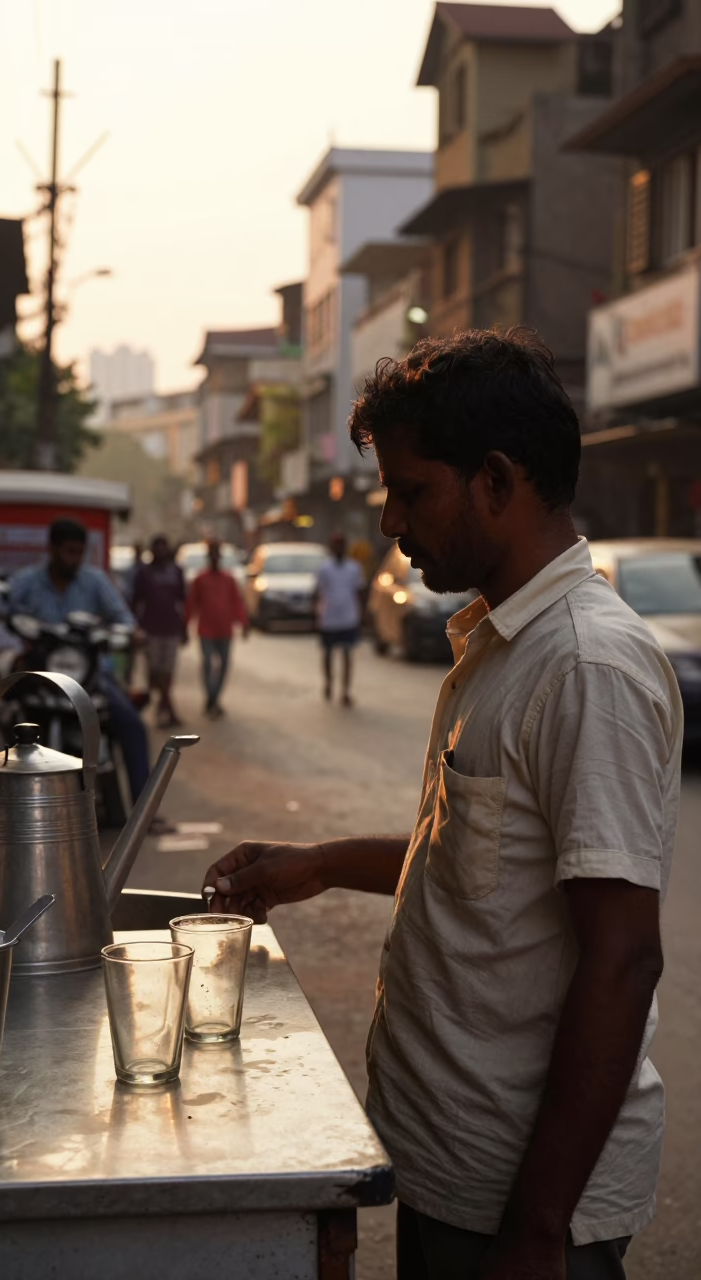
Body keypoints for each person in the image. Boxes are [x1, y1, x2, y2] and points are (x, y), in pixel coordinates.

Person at [204, 329, 682, 1280]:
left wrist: (540, 1230)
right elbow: (483, 864)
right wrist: (323, 864)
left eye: (412, 490)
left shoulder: (586, 666)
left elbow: (623, 959)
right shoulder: (501, 644)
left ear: (497, 482)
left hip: (521, 1196)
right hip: (451, 1162)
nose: (389, 523)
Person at [8, 519, 155, 811]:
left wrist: (132, 633)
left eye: (79, 552)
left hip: (89, 678)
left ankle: (144, 813)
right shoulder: (25, 582)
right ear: (51, 549)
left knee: (132, 725)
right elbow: (5, 614)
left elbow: (123, 619)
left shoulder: (94, 580)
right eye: (68, 551)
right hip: (40, 676)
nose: (74, 559)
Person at [184, 540, 249, 719]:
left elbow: (237, 603)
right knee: (207, 664)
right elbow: (191, 604)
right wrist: (185, 625)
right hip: (206, 630)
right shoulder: (200, 579)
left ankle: (214, 697)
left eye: (216, 554)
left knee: (224, 665)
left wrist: (243, 623)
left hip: (225, 630)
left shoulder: (228, 580)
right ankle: (210, 697)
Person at [132, 535, 186, 728]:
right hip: (151, 628)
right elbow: (135, 601)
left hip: (171, 628)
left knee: (167, 671)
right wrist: (135, 627)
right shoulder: (144, 573)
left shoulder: (176, 572)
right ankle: (168, 709)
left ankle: (165, 709)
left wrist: (184, 628)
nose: (161, 551)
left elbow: (182, 601)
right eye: (158, 547)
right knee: (155, 671)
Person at [314, 532, 365, 706]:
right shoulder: (324, 569)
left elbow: (359, 592)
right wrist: (316, 613)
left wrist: (362, 615)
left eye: (341, 545)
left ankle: (345, 691)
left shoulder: (354, 568)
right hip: (329, 618)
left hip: (348, 618)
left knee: (347, 655)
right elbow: (317, 591)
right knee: (328, 654)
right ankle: (328, 683)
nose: (339, 549)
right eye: (336, 545)